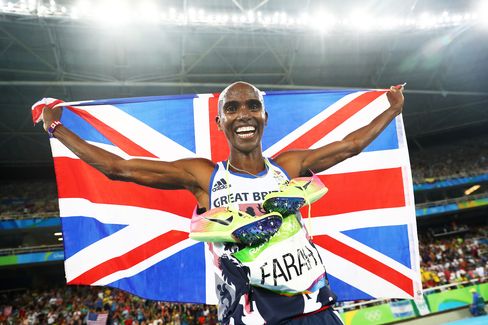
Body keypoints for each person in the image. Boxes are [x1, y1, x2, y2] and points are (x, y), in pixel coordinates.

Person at [40, 81, 404, 324]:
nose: (243, 114)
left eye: (252, 106)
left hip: (315, 308)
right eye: (232, 108)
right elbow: (118, 168)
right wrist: (56, 128)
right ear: (220, 121)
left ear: (264, 115)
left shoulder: (288, 166)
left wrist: (392, 109)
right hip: (253, 317)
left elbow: (350, 146)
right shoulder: (204, 178)